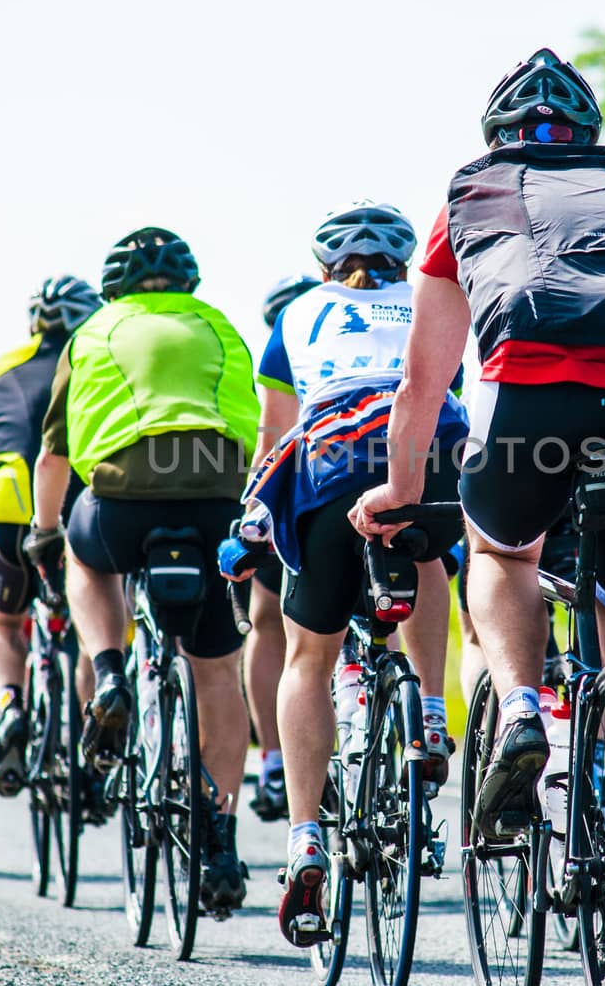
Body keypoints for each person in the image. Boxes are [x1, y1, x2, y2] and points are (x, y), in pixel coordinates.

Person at [351, 49, 605, 931]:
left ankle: (519, 704)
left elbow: (424, 385)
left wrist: (402, 492)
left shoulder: (467, 196)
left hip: (538, 387)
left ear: (496, 137)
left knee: (498, 549)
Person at [224, 201, 466, 945]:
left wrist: (254, 514)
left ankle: (303, 835)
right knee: (427, 552)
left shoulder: (296, 313)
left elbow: (275, 429)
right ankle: (428, 709)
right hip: (424, 450)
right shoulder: (435, 295)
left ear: (324, 266)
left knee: (308, 657)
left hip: (329, 466)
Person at [27, 227, 260, 917]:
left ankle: (106, 672)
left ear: (116, 289)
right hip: (217, 500)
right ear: (185, 284)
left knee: (82, 557)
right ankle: (219, 833)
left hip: (123, 502)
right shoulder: (222, 326)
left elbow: (53, 455)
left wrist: (43, 531)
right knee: (218, 670)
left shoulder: (92, 332)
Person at [0, 276, 101, 797]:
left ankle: (10, 704)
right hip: (83, 509)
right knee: (92, 630)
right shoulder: (101, 358)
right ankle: (89, 745)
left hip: (12, 515)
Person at [245, 273, 319, 823]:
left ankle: (274, 758)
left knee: (269, 622)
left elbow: (268, 443)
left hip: (300, 497)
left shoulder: (278, 347)